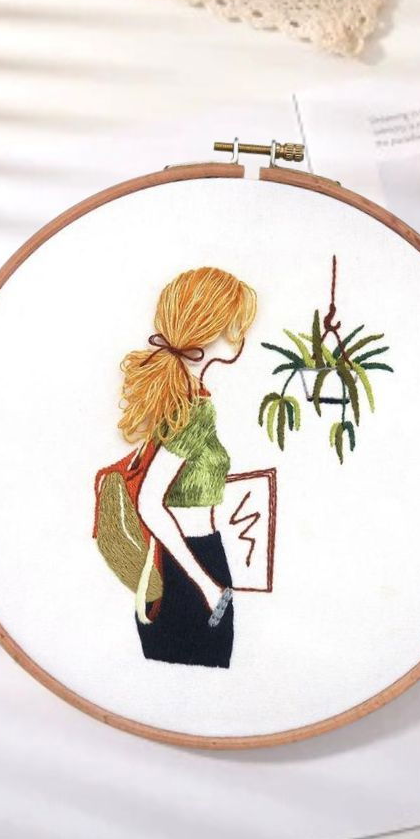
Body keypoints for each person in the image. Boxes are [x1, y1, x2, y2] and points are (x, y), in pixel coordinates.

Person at [118, 267, 257, 668]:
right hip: (191, 562)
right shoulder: (195, 409)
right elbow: (149, 502)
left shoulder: (180, 396)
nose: (239, 335)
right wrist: (206, 584)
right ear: (210, 329)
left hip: (183, 560)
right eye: (233, 324)